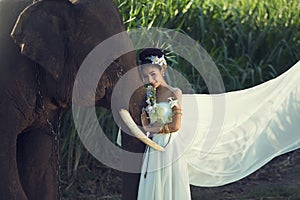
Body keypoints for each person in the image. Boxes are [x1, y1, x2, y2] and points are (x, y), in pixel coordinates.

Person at [137, 48, 191, 200]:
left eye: (153, 74)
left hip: (169, 146)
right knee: (153, 186)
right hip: (153, 146)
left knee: (168, 186)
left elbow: (175, 126)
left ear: (163, 70)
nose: (150, 79)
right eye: (145, 76)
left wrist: (149, 128)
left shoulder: (174, 92)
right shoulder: (150, 95)